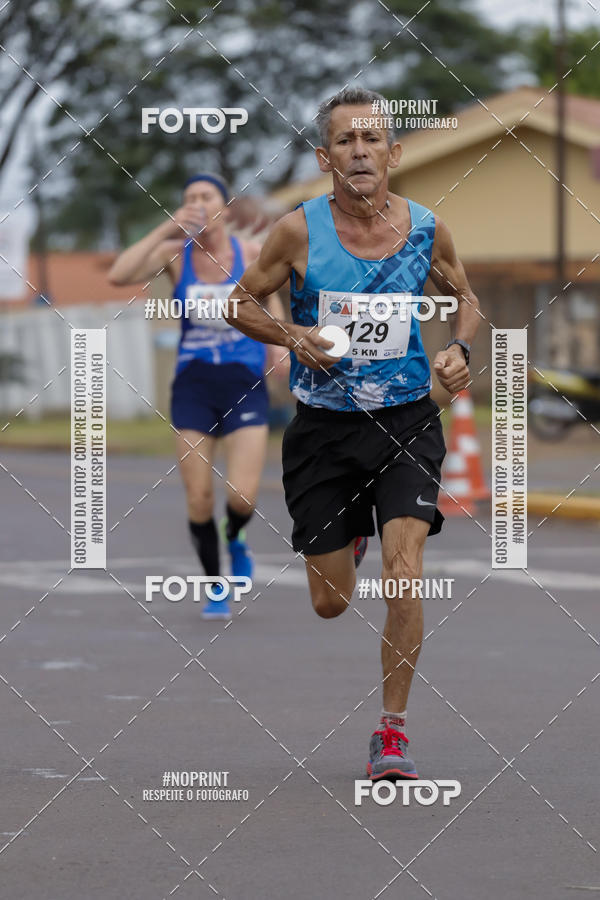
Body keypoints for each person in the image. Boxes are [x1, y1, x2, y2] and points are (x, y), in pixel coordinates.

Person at [225, 87, 481, 780]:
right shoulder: (296, 231)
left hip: (405, 422)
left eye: (372, 140)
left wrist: (460, 351)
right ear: (325, 155)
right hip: (324, 433)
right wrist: (291, 332)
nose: (360, 151)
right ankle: (352, 532)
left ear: (394, 153)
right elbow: (238, 301)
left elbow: (466, 301)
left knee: (405, 576)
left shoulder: (425, 228)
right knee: (330, 602)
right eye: (345, 141)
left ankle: (392, 732)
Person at [109, 174, 285, 620]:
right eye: (188, 197)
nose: (196, 203)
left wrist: (281, 350)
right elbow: (120, 275)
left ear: (224, 208)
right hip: (193, 384)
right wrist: (165, 228)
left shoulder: (251, 255)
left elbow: (274, 310)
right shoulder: (176, 254)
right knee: (199, 498)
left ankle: (237, 538)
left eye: (205, 196)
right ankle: (216, 587)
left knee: (242, 498)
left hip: (243, 380)